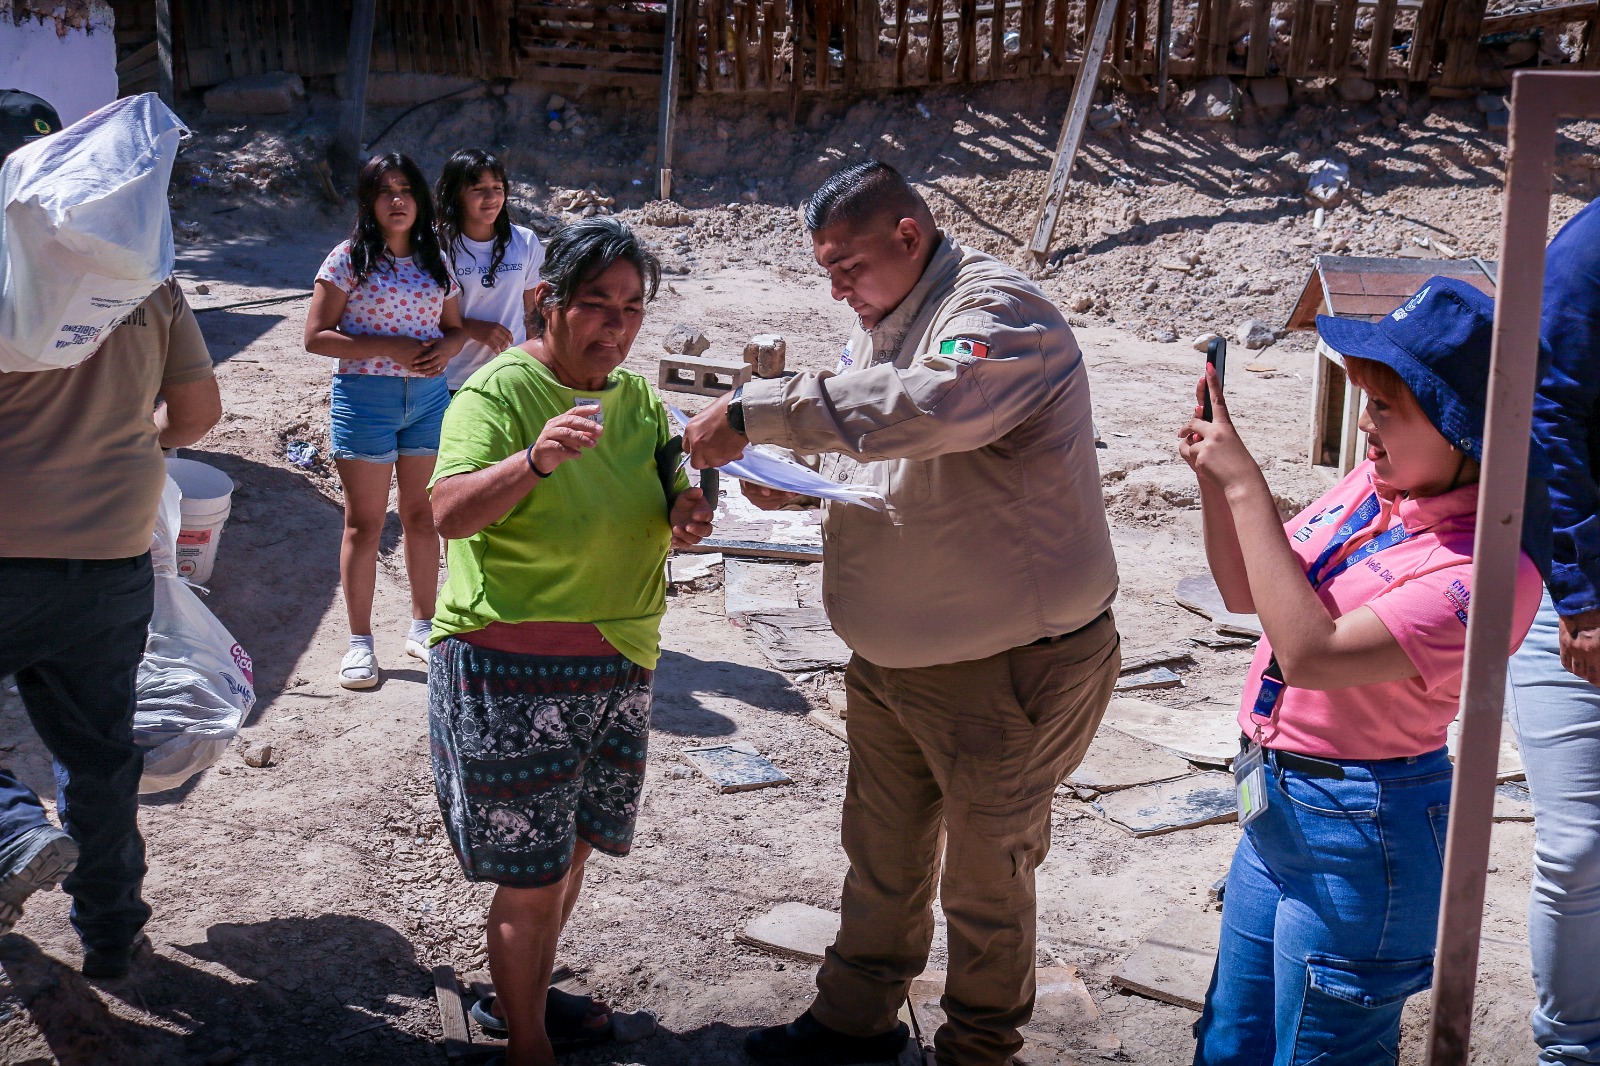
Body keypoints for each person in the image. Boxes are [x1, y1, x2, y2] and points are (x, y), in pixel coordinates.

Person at [684, 160, 1120, 1066]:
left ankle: (976, 1051)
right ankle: (855, 1026)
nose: (837, 288)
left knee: (985, 881)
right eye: (826, 272)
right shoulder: (888, 326)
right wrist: (801, 491)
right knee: (882, 857)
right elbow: (892, 457)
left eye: (847, 266)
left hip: (1004, 668)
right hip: (896, 665)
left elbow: (939, 406)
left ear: (909, 237)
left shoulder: (997, 314)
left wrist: (760, 412)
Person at [1181, 278, 1545, 1064]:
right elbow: (1249, 590)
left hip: (1361, 833)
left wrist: (1247, 483)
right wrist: (1219, 481)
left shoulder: (1488, 571)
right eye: (1368, 402)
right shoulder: (1380, 488)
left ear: (1464, 433)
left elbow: (1311, 655)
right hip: (1278, 807)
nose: (1366, 426)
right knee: (1229, 1044)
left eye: (1389, 407)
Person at [427, 217, 714, 1066]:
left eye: (630, 309)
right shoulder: (499, 394)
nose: (615, 327)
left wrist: (689, 513)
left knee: (572, 852)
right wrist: (534, 462)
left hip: (620, 666)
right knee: (534, 873)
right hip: (512, 672)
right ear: (546, 301)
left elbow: (676, 495)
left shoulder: (642, 402)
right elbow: (446, 513)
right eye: (597, 305)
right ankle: (527, 1046)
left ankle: (527, 1001)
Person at [0, 90, 223, 980]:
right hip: (113, 550)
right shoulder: (145, 278)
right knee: (98, 754)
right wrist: (127, 444)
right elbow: (199, 413)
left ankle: (13, 828)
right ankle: (110, 930)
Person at [305, 152, 468, 690]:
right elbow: (315, 337)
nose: (397, 201)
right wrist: (388, 346)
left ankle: (423, 628)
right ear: (369, 201)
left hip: (428, 401)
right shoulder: (347, 260)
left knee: (424, 519)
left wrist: (442, 350)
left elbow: (453, 327)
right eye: (385, 191)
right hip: (364, 401)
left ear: (420, 201)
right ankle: (359, 643)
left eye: (406, 190)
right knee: (365, 525)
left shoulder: (436, 260)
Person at [1507, 197, 1600, 1064]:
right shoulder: (1589, 253)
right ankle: (1571, 1050)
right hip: (1582, 596)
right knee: (1579, 849)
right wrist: (1581, 597)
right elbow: (1550, 421)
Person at [434, 147, 545, 394]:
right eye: (478, 190)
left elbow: (533, 314)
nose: (491, 197)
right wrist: (470, 327)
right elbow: (420, 316)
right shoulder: (435, 247)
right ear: (455, 194)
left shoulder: (524, 242)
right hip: (450, 380)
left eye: (498, 188)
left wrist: (534, 368)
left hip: (510, 377)